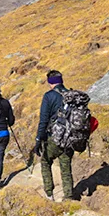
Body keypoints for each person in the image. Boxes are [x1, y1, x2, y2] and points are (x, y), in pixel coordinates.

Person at [34, 70, 73, 201]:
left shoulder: (49, 96)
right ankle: (68, 196)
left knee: (45, 161)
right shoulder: (71, 95)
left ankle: (49, 195)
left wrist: (39, 139)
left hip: (53, 137)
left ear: (50, 82)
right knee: (66, 166)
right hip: (69, 137)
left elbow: (43, 120)